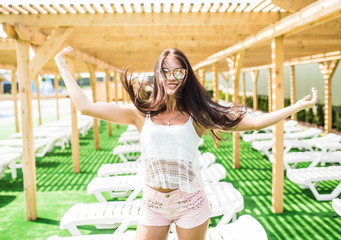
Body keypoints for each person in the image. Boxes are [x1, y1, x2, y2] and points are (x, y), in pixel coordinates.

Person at [54, 46, 317, 240]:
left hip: (191, 203)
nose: (171, 77)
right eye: (165, 71)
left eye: (178, 72)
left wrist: (296, 106)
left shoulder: (199, 116)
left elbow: (257, 122)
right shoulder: (139, 113)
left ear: (186, 75)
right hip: (153, 204)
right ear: (158, 75)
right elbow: (85, 108)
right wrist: (63, 67)